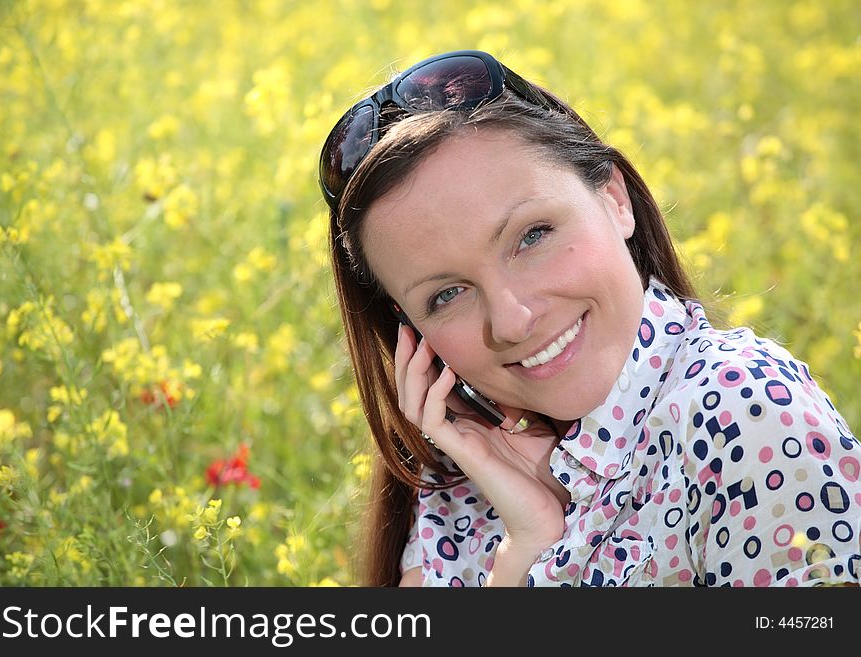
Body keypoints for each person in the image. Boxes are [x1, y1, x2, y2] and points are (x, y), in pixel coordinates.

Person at [318, 50, 861, 587]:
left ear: (614, 198)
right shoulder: (458, 477)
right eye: (447, 294)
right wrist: (524, 546)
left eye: (532, 237)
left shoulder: (742, 411)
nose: (511, 320)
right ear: (409, 329)